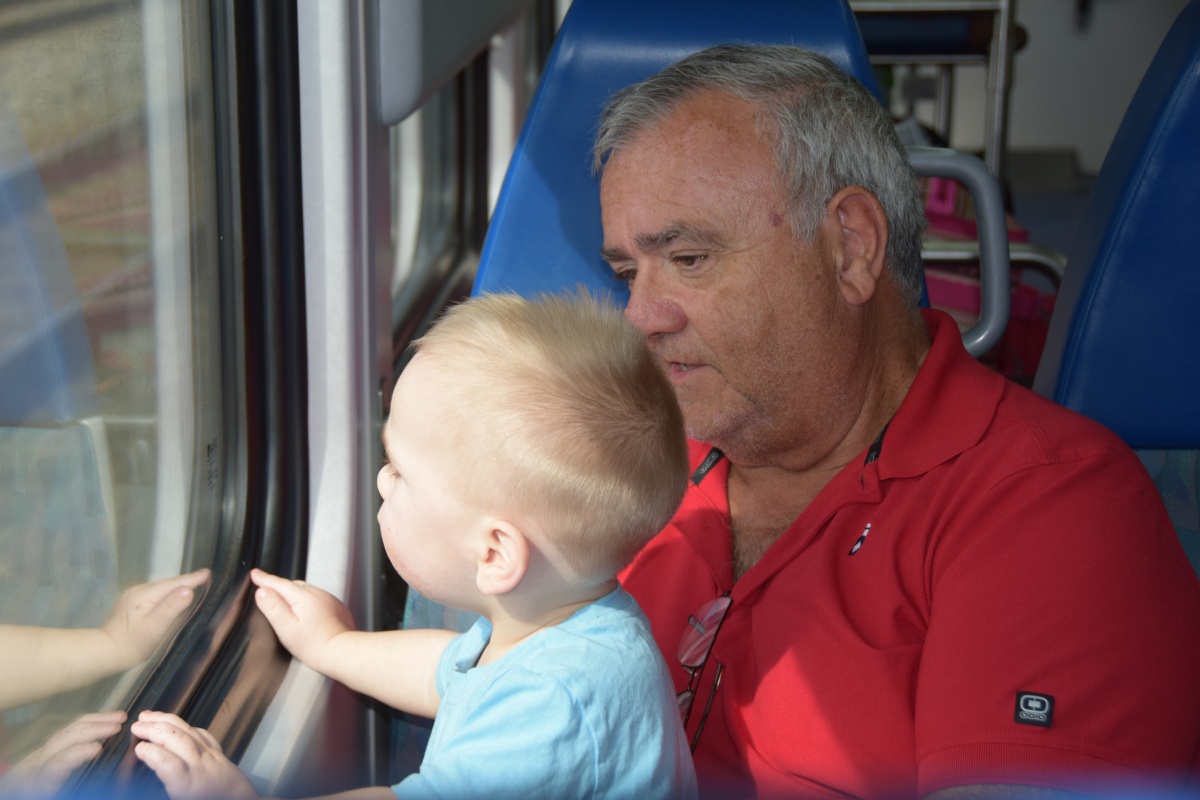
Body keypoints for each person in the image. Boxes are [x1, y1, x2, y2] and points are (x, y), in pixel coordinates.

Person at [594, 44, 1200, 799]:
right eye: (627, 273)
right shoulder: (619, 460)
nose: (639, 317)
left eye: (687, 257)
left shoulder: (1046, 509)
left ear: (850, 247)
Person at [132, 292, 698, 800]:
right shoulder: (553, 622)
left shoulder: (555, 704)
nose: (380, 481)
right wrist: (332, 645)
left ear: (495, 555)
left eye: (399, 470)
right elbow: (445, 675)